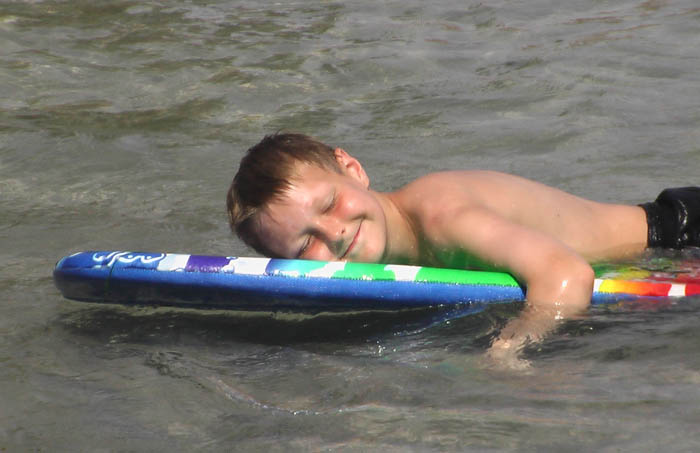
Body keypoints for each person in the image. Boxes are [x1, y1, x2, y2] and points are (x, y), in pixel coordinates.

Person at [227, 132, 700, 364]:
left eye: (330, 202)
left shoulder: (440, 216)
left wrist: (510, 347)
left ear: (352, 169)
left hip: (678, 237)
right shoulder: (399, 242)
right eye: (305, 241)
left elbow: (565, 275)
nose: (333, 232)